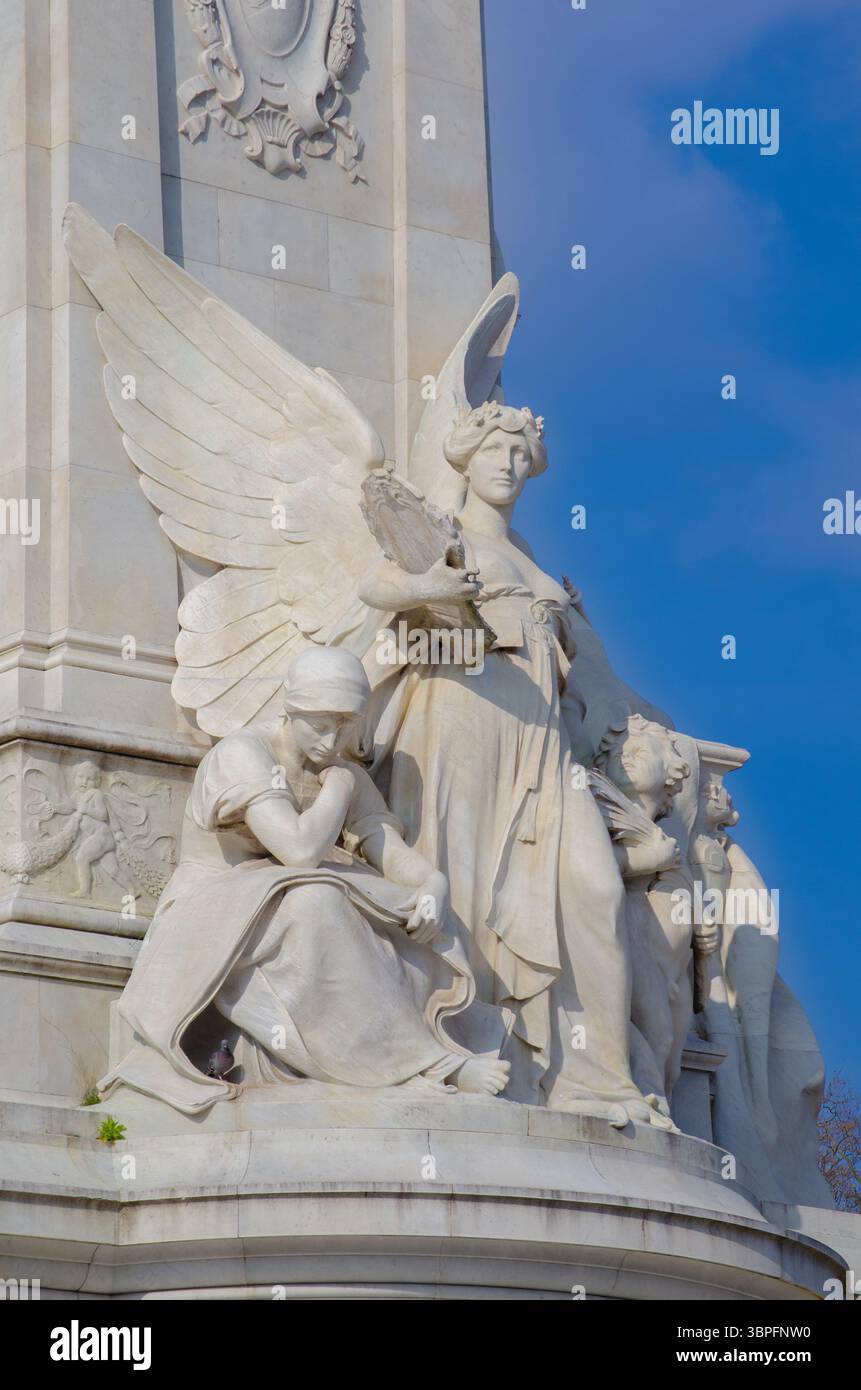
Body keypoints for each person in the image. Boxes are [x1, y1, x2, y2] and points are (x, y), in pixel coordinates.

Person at [358, 402, 667, 1125]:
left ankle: (601, 1077)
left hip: (545, 745)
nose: (508, 465)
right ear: (465, 457)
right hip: (460, 719)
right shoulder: (444, 533)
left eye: (521, 455)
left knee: (592, 888)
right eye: (496, 450)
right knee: (460, 876)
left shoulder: (529, 556)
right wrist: (433, 589)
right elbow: (376, 588)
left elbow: (593, 674)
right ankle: (457, 1041)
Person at [98, 647, 509, 1115]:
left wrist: (433, 884)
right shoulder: (242, 753)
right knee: (317, 900)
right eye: (319, 723)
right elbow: (297, 852)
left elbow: (386, 847)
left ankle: (412, 1048)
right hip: (213, 907)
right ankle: (434, 1065)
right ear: (288, 706)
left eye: (346, 723)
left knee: (406, 910)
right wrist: (338, 788)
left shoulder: (340, 770)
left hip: (277, 895)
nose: (332, 740)